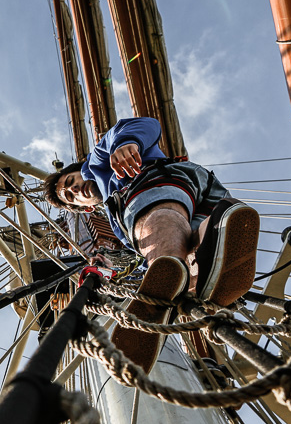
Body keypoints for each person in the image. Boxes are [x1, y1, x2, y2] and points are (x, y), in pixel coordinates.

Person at [42, 117, 259, 373]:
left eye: (70, 182)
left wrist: (126, 144)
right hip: (207, 194)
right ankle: (215, 240)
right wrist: (109, 266)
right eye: (71, 197)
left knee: (153, 225)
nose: (75, 189)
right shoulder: (110, 217)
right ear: (86, 209)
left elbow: (147, 125)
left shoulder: (98, 163)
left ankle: (165, 283)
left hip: (154, 184)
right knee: (197, 260)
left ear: (80, 170)